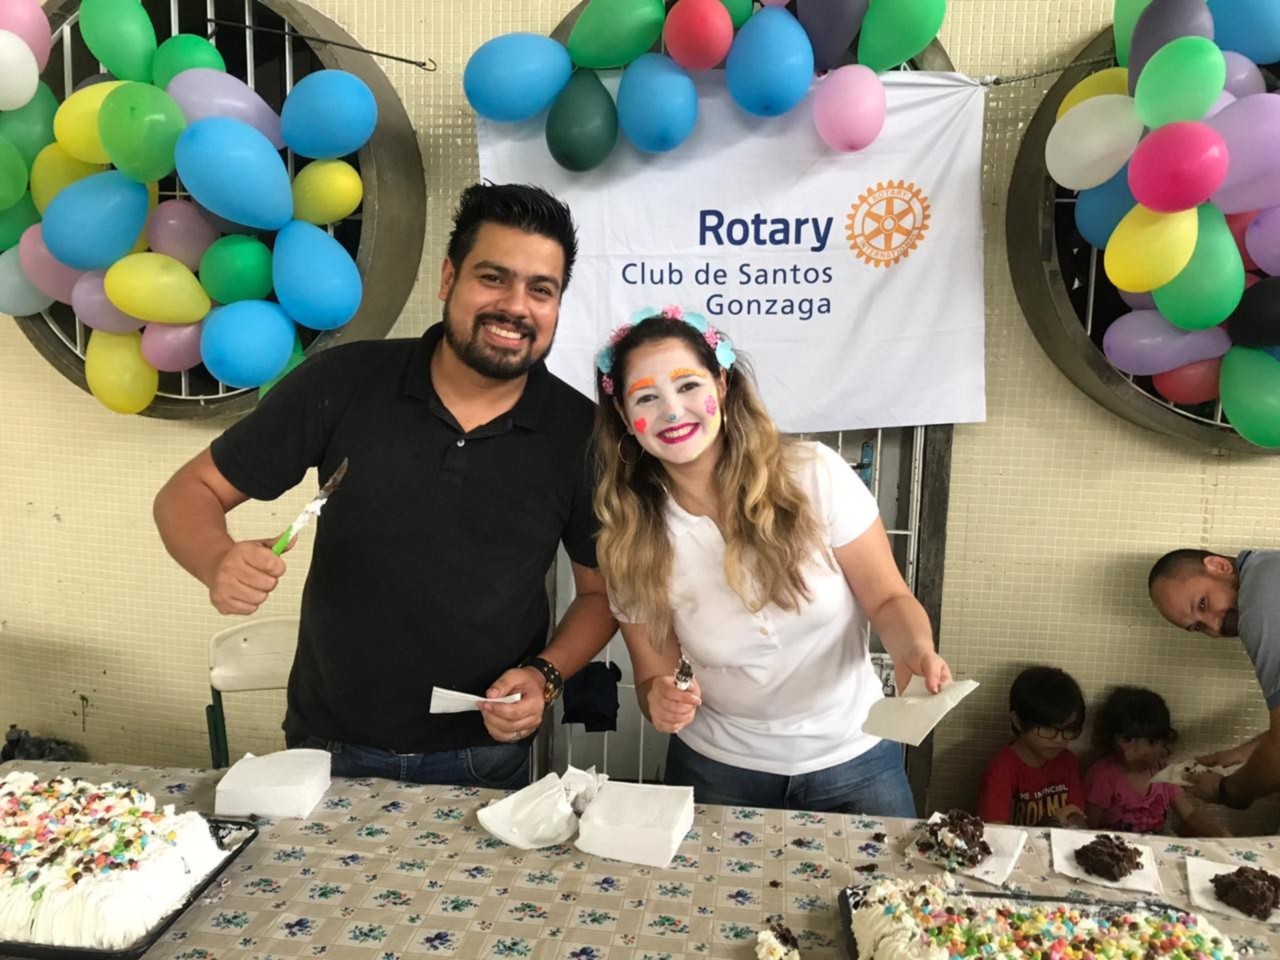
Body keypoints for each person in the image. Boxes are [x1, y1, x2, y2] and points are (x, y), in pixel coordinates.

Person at [153, 183, 616, 786]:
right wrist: (216, 560)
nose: (515, 306)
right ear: (448, 278)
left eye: (540, 289)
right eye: (493, 278)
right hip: (326, 746)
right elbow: (189, 492)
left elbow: (601, 595)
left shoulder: (581, 434)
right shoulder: (345, 381)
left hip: (484, 756)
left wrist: (545, 675)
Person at [590, 306, 952, 814]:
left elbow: (888, 598)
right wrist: (658, 701)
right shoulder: (629, 538)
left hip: (857, 754)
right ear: (625, 418)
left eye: (688, 385)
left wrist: (916, 648)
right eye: (647, 397)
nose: (672, 411)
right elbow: (654, 675)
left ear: (722, 384)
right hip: (717, 769)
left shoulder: (814, 475)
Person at [1148, 549, 1280, 813]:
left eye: (1202, 604)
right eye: (1198, 627)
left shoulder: (1258, 606)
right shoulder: (1268, 568)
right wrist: (1245, 753)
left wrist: (1228, 791)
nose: (1215, 626)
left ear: (1219, 566)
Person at [1084, 686, 1227, 837]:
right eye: (1128, 739)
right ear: (1111, 738)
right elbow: (1087, 826)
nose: (1141, 751)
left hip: (1157, 844)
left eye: (1151, 741)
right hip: (1114, 844)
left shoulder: (1164, 773)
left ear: (1164, 742)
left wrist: (1222, 836)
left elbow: (1189, 814)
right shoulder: (1103, 776)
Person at [978, 666, 1087, 827]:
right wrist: (1053, 822)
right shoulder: (1002, 769)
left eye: (1068, 730)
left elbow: (1078, 820)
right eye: (1048, 728)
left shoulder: (1066, 760)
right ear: (1018, 722)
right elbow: (995, 832)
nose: (1059, 739)